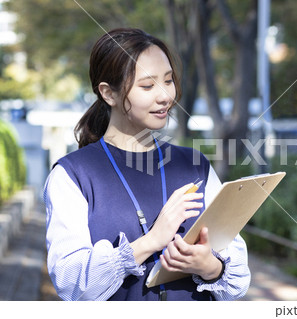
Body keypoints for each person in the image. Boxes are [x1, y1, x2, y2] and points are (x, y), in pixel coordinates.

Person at [43, 28, 250, 301]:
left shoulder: (195, 165)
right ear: (108, 94)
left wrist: (209, 266)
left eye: (168, 81)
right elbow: (71, 283)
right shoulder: (72, 175)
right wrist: (151, 241)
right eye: (148, 86)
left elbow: (238, 278)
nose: (165, 96)